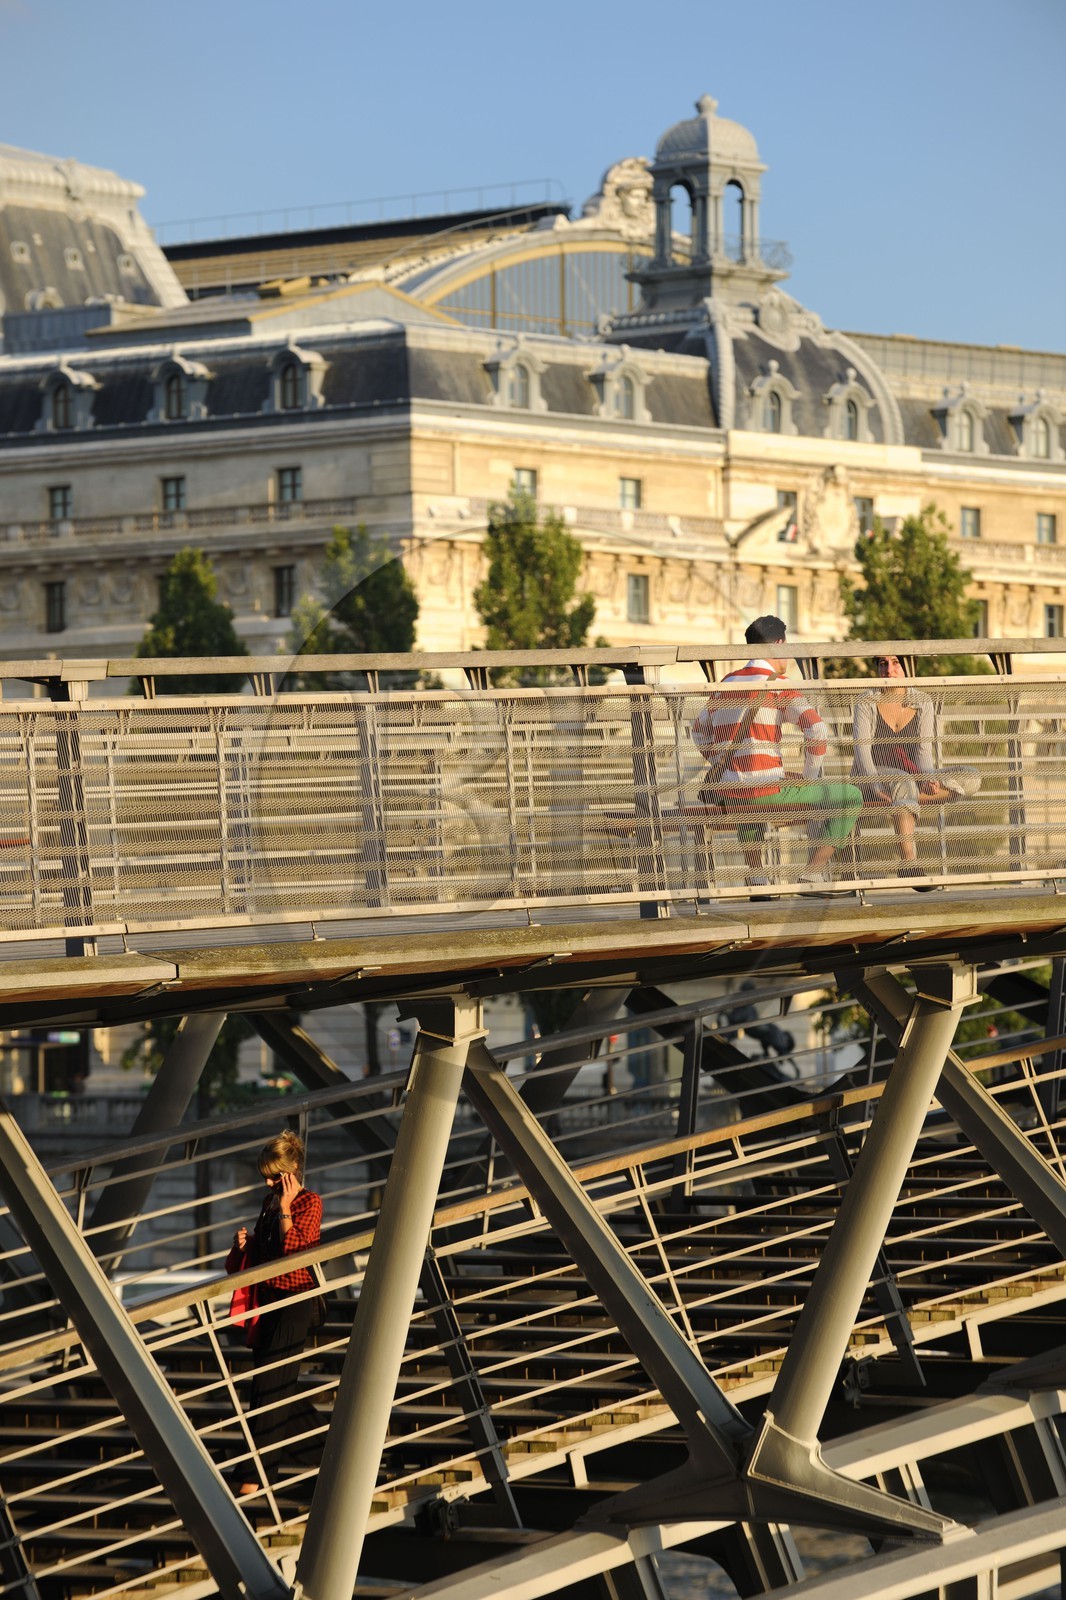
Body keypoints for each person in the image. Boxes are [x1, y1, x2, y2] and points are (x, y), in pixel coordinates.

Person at [692, 615, 862, 894]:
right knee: (851, 796)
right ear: (780, 644)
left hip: (730, 791)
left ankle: (757, 878)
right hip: (767, 792)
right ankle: (812, 875)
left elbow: (698, 730)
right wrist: (808, 778)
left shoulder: (725, 682)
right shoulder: (779, 683)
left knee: (749, 803)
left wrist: (724, 763)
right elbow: (817, 730)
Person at [227, 1130, 323, 1496]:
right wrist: (246, 1245)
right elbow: (268, 1252)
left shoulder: (309, 1202)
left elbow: (294, 1251)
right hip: (267, 1300)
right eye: (265, 1177)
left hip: (294, 1302)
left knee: (271, 1387)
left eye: (274, 1176)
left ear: (292, 1170)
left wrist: (285, 1207)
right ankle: (325, 1454)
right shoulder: (270, 1202)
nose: (268, 1183)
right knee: (271, 1385)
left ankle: (254, 1475)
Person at [851, 653, 980, 889]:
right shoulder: (866, 700)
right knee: (903, 781)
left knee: (970, 777)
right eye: (883, 664)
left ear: (909, 668)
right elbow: (862, 752)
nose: (889, 669)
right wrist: (875, 785)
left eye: (896, 663)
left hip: (909, 779)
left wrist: (928, 779)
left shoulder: (922, 701)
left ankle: (905, 800)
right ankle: (909, 863)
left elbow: (923, 751)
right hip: (870, 780)